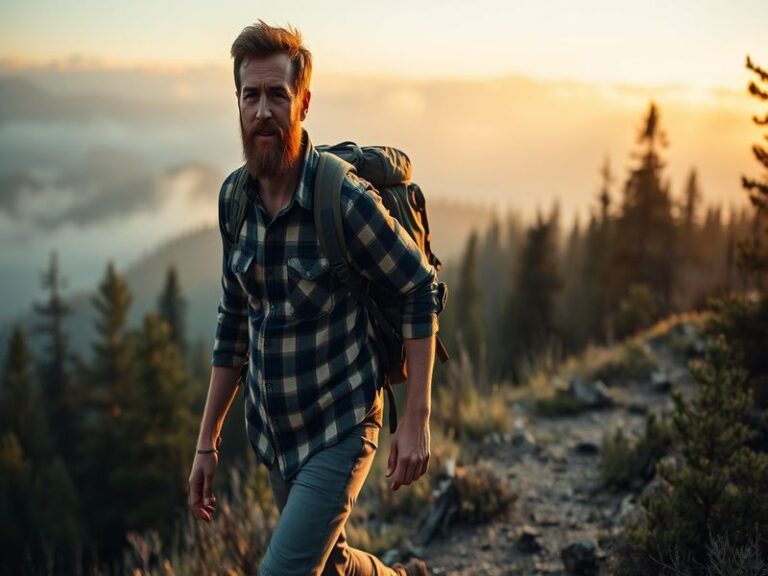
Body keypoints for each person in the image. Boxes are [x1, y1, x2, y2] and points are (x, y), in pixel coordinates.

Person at [187, 20, 443, 576]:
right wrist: (207, 441)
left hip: (342, 423)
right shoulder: (234, 199)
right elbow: (233, 320)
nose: (262, 112)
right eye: (250, 95)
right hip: (276, 435)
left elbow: (419, 284)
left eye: (277, 95)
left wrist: (417, 416)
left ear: (303, 102)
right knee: (331, 566)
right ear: (236, 101)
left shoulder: (341, 199)